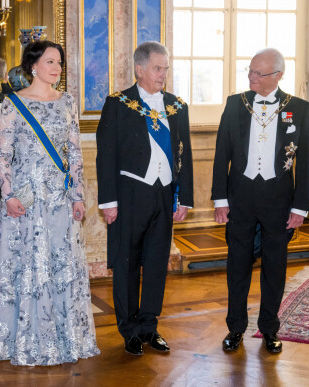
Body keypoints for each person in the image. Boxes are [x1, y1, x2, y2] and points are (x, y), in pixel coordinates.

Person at [0, 40, 100, 366]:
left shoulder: (67, 102)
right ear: (33, 66)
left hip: (59, 197)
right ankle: (22, 337)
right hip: (26, 198)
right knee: (27, 265)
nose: (56, 68)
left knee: (59, 264)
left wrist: (78, 195)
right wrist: (8, 195)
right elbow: (3, 153)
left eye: (59, 63)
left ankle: (64, 338)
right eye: (50, 62)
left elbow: (75, 153)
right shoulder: (14, 103)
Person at [211, 48, 309, 354]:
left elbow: (304, 161)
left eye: (259, 73)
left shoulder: (299, 108)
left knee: (275, 265)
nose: (251, 77)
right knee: (237, 264)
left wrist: (300, 207)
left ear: (278, 75)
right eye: (250, 71)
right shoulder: (235, 104)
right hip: (240, 196)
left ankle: (269, 328)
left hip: (278, 199)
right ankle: (236, 328)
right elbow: (221, 154)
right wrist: (220, 199)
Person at [96, 41, 194, 356]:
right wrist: (108, 201)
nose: (163, 74)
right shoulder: (118, 103)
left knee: (155, 262)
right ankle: (129, 330)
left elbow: (185, 154)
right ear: (140, 69)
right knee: (126, 263)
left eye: (165, 68)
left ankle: (149, 327)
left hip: (164, 193)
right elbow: (105, 155)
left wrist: (186, 197)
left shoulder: (177, 106)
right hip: (130, 193)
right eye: (157, 68)